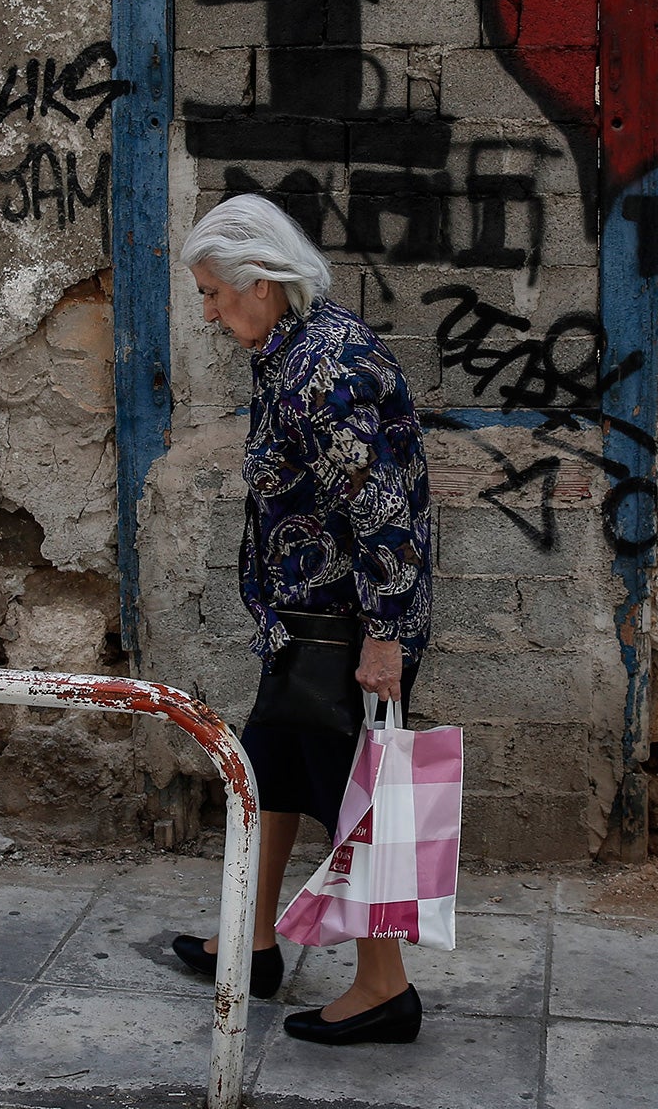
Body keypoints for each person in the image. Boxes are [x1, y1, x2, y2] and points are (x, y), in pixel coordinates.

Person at [169, 192, 435, 1046]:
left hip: (347, 631)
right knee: (269, 771)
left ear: (263, 281)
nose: (208, 311)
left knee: (362, 802)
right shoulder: (288, 349)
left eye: (214, 293)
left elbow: (382, 505)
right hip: (307, 623)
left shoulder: (321, 369)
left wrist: (385, 637)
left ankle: (386, 989)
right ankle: (251, 941)